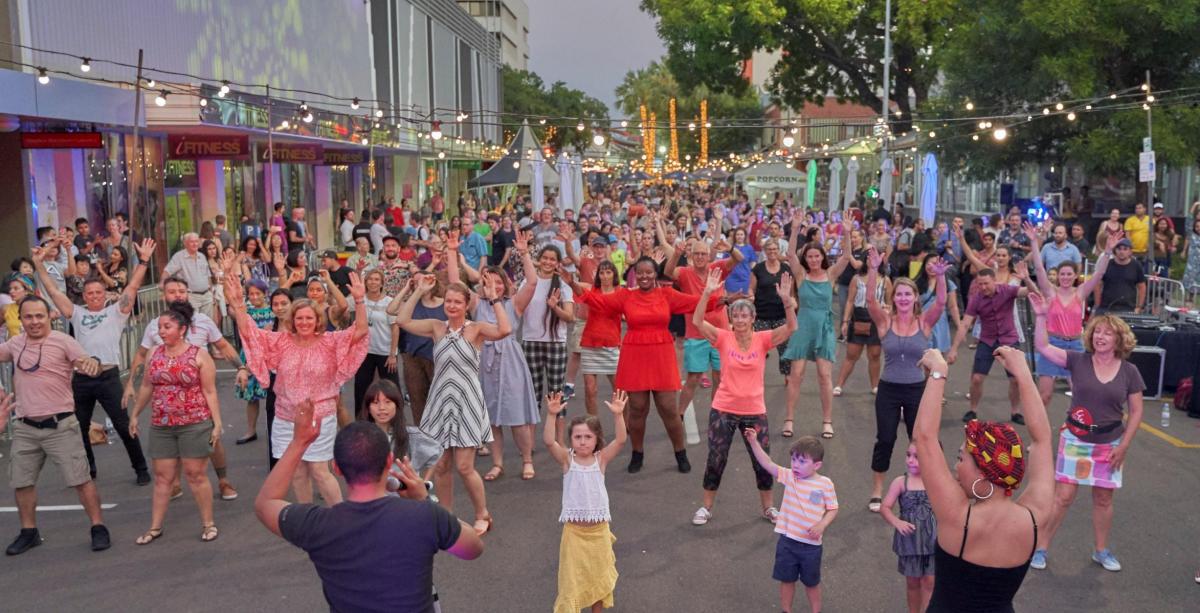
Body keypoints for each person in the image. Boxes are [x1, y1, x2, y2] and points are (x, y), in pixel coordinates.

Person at [255, 401, 483, 613]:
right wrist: (424, 500)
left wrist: (299, 443)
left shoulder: (317, 524)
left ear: (337, 468)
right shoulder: (425, 516)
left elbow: (266, 503)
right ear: (388, 461)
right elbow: (472, 548)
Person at [913, 347, 1054, 613]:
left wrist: (938, 374)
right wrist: (1023, 372)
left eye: (961, 458)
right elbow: (1043, 440)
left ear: (982, 472)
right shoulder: (1035, 518)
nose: (955, 466)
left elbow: (924, 438)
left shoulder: (957, 517)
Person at [226, 259, 369, 505]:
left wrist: (359, 301)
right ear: (292, 320)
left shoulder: (329, 342)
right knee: (298, 472)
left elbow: (360, 332)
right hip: (285, 416)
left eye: (309, 318)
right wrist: (239, 303)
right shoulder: (280, 342)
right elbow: (249, 332)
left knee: (319, 471)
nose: (304, 322)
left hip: (320, 416)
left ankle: (341, 517)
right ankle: (307, 518)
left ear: (317, 320)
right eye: (299, 318)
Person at [571, 256, 720, 474]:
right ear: (634, 275)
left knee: (669, 409)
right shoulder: (625, 296)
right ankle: (637, 453)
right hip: (635, 355)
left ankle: (680, 452)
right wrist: (572, 283)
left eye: (649, 272)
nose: (644, 276)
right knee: (637, 410)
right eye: (639, 272)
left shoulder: (667, 294)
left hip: (661, 355)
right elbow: (598, 302)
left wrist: (713, 294)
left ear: (655, 274)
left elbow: (694, 303)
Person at [1027, 304, 1145, 572]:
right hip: (1075, 440)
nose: (1100, 337)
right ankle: (1041, 548)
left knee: (1104, 499)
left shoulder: (1129, 372)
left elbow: (1137, 411)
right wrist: (1042, 316)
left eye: (1107, 333)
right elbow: (1044, 347)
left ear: (1119, 340)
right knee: (1064, 497)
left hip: (1110, 444)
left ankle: (1101, 551)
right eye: (1097, 332)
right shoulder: (1077, 360)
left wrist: (1124, 446)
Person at [31, 239, 155, 484]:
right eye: (90, 293)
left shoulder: (115, 313)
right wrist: (37, 263)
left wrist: (143, 261)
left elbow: (132, 286)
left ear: (105, 294)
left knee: (122, 424)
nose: (95, 296)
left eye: (99, 292)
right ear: (84, 296)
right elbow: (53, 292)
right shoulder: (77, 313)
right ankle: (89, 469)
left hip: (108, 377)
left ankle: (141, 468)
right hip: (82, 379)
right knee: (79, 428)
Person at [394, 275, 511, 535]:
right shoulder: (437, 326)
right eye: (448, 301)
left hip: (467, 401)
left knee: (465, 466)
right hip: (440, 402)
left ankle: (483, 514)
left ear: (467, 304)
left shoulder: (476, 329)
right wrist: (419, 290)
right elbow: (402, 321)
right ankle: (445, 516)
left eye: (458, 301)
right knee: (442, 465)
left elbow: (505, 330)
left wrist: (494, 299)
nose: (452, 305)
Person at [0, 297, 109, 556]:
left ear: (49, 316)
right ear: (21, 319)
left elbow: (87, 363)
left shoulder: (63, 341)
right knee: (22, 482)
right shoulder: (16, 344)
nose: (35, 321)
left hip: (61, 425)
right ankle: (29, 532)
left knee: (81, 480)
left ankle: (98, 527)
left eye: (39, 316)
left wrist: (91, 363)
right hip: (26, 427)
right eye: (28, 317)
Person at [122, 275, 246, 502]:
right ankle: (175, 483)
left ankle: (223, 480)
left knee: (212, 439)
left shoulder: (203, 321)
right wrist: (130, 382)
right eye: (172, 291)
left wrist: (241, 367)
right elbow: (141, 355)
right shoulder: (154, 326)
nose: (178, 295)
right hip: (166, 398)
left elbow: (223, 346)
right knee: (171, 441)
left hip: (199, 395)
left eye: (182, 290)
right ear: (164, 296)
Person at [691, 268, 797, 526]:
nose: (739, 319)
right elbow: (697, 322)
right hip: (724, 408)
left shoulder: (762, 339)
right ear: (730, 318)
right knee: (716, 458)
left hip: (754, 410)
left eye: (743, 315)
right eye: (735, 315)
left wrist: (786, 300)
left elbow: (792, 327)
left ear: (752, 318)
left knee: (762, 462)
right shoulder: (723, 338)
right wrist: (706, 293)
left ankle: (769, 508)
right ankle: (706, 507)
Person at [127, 302, 223, 544]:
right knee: (162, 477)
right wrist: (136, 413)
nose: (161, 331)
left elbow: (209, 391)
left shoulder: (199, 355)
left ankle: (208, 523)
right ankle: (155, 527)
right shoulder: (154, 353)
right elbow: (147, 386)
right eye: (160, 327)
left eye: (167, 326)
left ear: (182, 329)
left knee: (195, 474)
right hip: (162, 423)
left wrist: (217, 423)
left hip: (195, 422)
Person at [864, 247, 949, 512]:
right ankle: (878, 490)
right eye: (899, 294)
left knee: (922, 439)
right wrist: (873, 268)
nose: (902, 298)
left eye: (908, 294)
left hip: (916, 390)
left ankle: (926, 486)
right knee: (885, 439)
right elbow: (869, 301)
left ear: (915, 298)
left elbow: (941, 303)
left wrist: (941, 277)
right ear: (894, 297)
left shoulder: (924, 322)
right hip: (889, 389)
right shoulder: (884, 323)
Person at [447, 253, 540, 483]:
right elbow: (455, 283)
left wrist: (524, 253)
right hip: (484, 361)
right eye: (489, 281)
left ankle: (527, 459)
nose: (494, 286)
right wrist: (451, 252)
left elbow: (532, 282)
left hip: (510, 360)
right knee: (491, 419)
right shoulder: (477, 303)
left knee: (517, 417)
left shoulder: (514, 304)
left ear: (506, 284)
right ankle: (497, 463)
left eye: (499, 282)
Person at [544, 390, 627, 613]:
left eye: (588, 437)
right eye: (577, 437)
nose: (582, 442)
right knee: (572, 582)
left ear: (597, 439)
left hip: (599, 532)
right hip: (574, 534)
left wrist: (618, 415)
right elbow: (549, 441)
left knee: (598, 581)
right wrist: (552, 415)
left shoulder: (601, 459)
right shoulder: (566, 460)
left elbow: (620, 440)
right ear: (571, 440)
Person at [1022, 223, 1114, 409]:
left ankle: (1078, 431)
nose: (1065, 277)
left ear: (1074, 276)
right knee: (1045, 395)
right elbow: (1039, 269)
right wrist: (1034, 242)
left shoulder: (1080, 292)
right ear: (1058, 276)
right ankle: (1040, 433)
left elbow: (1099, 273)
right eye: (1062, 274)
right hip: (1052, 345)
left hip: (1074, 345)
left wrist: (1108, 251)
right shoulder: (1051, 292)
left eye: (1068, 274)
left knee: (1080, 395)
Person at [744, 433, 839, 613]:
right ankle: (786, 610)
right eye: (794, 459)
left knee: (812, 583)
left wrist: (822, 525)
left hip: (811, 546)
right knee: (786, 580)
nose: (795, 464)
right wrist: (753, 442)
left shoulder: (825, 484)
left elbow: (833, 508)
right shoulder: (790, 477)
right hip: (787, 542)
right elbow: (767, 463)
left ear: (817, 465)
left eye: (802, 461)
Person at [783, 213, 853, 439]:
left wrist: (847, 232)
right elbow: (791, 254)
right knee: (797, 374)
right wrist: (795, 230)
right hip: (802, 326)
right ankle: (789, 419)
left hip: (824, 328)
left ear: (822, 257)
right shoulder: (801, 275)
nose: (813, 259)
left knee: (825, 375)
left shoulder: (830, 274)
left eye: (817, 256)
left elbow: (846, 257)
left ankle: (827, 421)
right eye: (810, 256)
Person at [947, 267, 1029, 423]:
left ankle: (1015, 412)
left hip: (1008, 339)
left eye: (986, 284)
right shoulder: (976, 299)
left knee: (1015, 379)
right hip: (987, 340)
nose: (983, 287)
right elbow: (965, 324)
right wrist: (954, 349)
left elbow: (1028, 292)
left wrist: (1028, 279)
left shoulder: (1006, 290)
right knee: (977, 378)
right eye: (980, 284)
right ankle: (972, 410)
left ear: (994, 281)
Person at [514, 238, 575, 437]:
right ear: (539, 260)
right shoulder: (528, 281)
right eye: (545, 258)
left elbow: (570, 316)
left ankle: (559, 441)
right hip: (531, 342)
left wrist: (554, 307)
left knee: (556, 393)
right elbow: (518, 308)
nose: (548, 262)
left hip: (556, 343)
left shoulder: (563, 286)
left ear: (558, 263)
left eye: (552, 259)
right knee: (532, 394)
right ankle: (529, 441)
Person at [879, 443, 936, 613]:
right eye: (908, 455)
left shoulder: (935, 481)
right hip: (910, 542)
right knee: (912, 582)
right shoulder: (901, 482)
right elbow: (885, 507)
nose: (910, 460)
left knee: (930, 582)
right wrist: (897, 522)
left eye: (917, 457)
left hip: (933, 540)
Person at [833, 253, 889, 398]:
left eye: (875, 259)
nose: (872, 261)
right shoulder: (856, 279)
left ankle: (875, 386)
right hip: (859, 317)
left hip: (877, 320)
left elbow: (890, 303)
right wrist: (845, 321)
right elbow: (850, 301)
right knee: (851, 354)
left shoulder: (885, 280)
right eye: (869, 258)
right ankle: (839, 385)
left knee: (875, 355)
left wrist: (888, 318)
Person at [234, 279, 275, 444]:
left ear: (265, 294)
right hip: (250, 355)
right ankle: (251, 430)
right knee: (252, 397)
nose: (254, 296)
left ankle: (277, 430)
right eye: (251, 294)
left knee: (276, 396)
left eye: (258, 293)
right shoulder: (246, 312)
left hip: (270, 356)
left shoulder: (274, 310)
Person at [351, 270, 397, 416]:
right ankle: (361, 421)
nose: (373, 282)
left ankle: (394, 423)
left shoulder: (389, 302)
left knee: (391, 390)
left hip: (384, 352)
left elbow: (395, 329)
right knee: (361, 389)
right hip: (364, 352)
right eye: (370, 279)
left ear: (382, 283)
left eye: (377, 279)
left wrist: (392, 354)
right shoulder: (359, 300)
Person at [749, 239, 794, 380]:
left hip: (781, 314)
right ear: (765, 251)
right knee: (759, 348)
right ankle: (756, 374)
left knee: (785, 347)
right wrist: (750, 296)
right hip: (762, 314)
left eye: (775, 249)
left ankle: (787, 374)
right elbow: (751, 288)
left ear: (779, 251)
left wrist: (792, 303)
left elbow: (791, 292)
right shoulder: (758, 268)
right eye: (769, 249)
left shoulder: (786, 269)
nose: (772, 252)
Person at [163, 232, 215, 318]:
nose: (195, 244)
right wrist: (163, 285)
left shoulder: (202, 256)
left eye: (196, 241)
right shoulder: (179, 257)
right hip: (191, 297)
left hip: (206, 296)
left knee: (207, 323)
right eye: (192, 242)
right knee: (193, 322)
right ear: (185, 243)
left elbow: (208, 275)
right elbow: (167, 272)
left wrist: (211, 292)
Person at [1093, 238, 1146, 313]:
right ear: (1115, 251)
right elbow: (1097, 284)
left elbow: (1142, 287)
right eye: (1119, 249)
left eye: (1125, 249)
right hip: (1106, 307)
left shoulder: (1136, 265)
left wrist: (1139, 307)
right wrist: (1097, 304)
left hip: (1128, 308)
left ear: (1130, 251)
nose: (1122, 252)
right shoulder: (1107, 264)